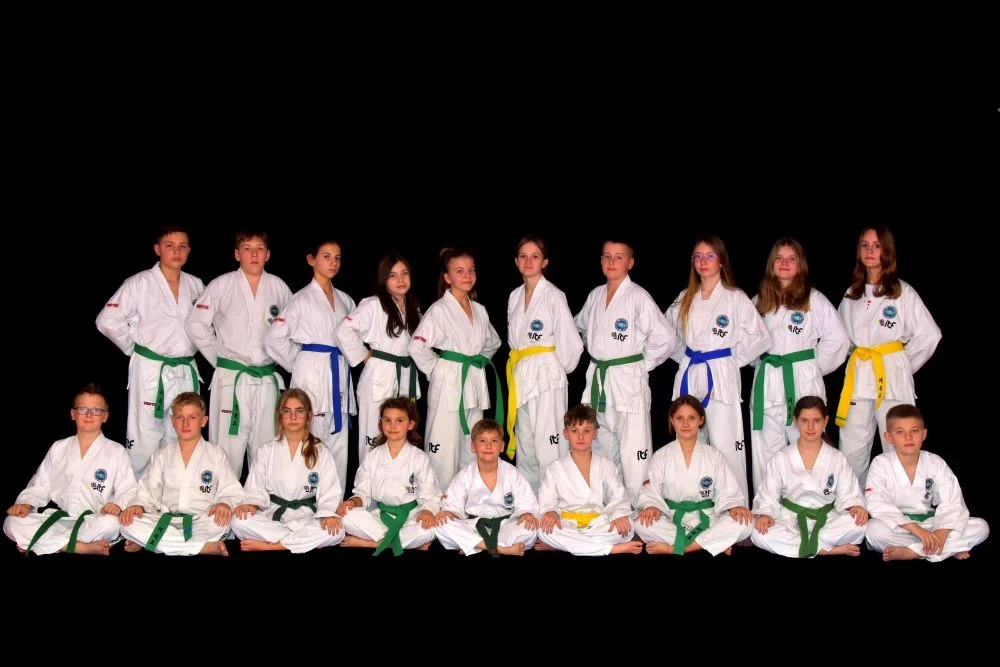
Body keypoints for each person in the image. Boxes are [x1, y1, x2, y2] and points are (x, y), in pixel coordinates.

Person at [665, 235, 770, 501]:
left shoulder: (735, 298)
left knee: (726, 445)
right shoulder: (684, 297)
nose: (703, 261)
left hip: (721, 377)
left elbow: (761, 338)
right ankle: (691, 502)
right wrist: (686, 358)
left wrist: (731, 361)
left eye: (710, 256)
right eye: (698, 256)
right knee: (689, 441)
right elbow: (667, 335)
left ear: (721, 261)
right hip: (691, 373)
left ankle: (736, 508)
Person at [835, 226, 942, 483]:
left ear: (887, 251)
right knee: (851, 450)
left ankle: (902, 501)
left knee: (899, 443)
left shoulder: (902, 292)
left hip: (892, 379)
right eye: (864, 245)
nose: (870, 251)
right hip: (859, 379)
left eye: (876, 246)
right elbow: (840, 339)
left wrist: (902, 365)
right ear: (859, 252)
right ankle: (853, 503)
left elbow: (930, 335)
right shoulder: (851, 294)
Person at [96, 225, 205, 475]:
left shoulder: (196, 285)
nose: (176, 251)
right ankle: (136, 493)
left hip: (185, 368)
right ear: (157, 249)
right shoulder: (139, 283)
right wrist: (134, 348)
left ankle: (176, 489)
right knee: (144, 435)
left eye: (182, 246)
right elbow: (107, 320)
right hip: (151, 369)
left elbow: (207, 325)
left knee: (182, 432)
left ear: (189, 251)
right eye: (170, 246)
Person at [574, 239, 676, 506]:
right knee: (601, 448)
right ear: (600, 261)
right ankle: (608, 508)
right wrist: (598, 350)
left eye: (618, 257)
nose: (611, 262)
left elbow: (666, 338)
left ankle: (642, 510)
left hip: (628, 381)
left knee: (634, 451)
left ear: (630, 263)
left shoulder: (638, 296)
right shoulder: (595, 295)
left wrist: (643, 364)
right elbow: (580, 326)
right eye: (606, 256)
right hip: (599, 380)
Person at [186, 230, 292, 479]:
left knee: (266, 449)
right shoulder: (221, 285)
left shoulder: (279, 287)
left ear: (268, 254)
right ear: (237, 254)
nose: (254, 254)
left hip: (266, 379)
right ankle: (222, 499)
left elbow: (293, 330)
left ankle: (261, 500)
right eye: (247, 248)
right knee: (226, 450)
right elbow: (195, 324)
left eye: (259, 249)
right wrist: (219, 360)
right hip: (231, 378)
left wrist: (289, 361)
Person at [750, 238, 849, 492]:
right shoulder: (759, 301)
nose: (784, 264)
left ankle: (811, 501)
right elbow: (745, 341)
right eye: (779, 258)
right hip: (768, 384)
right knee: (765, 453)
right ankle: (766, 507)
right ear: (771, 264)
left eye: (791, 259)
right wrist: (760, 363)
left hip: (802, 383)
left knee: (808, 445)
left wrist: (812, 367)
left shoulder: (814, 299)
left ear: (800, 264)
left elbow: (839, 339)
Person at [409, 248, 502, 491]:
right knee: (443, 451)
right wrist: (437, 370)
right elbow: (416, 346)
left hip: (473, 383)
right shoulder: (439, 309)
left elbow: (493, 342)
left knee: (473, 447)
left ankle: (468, 500)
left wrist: (478, 360)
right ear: (447, 277)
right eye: (459, 271)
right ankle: (437, 503)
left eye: (471, 270)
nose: (467, 275)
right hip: (448, 384)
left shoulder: (479, 310)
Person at [4, 384, 136, 556]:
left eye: (96, 410)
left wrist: (118, 505)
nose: (89, 415)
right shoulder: (58, 447)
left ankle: (41, 543)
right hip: (61, 520)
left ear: (105, 416)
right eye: (83, 409)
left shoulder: (116, 451)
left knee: (112, 524)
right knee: (11, 522)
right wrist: (26, 504)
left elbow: (128, 490)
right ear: (73, 414)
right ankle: (78, 547)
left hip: (94, 521)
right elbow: (40, 485)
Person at [265, 239, 356, 478]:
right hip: (312, 378)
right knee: (310, 442)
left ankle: (336, 498)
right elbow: (273, 338)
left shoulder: (346, 300)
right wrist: (298, 363)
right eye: (326, 256)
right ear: (311, 260)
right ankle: (306, 496)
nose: (333, 263)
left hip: (338, 376)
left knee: (339, 446)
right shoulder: (300, 299)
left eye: (337, 258)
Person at [119, 392, 242, 556]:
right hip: (166, 520)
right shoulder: (162, 455)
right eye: (179, 417)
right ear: (172, 421)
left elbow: (231, 489)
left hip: (202, 521)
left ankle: (152, 543)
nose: (185, 423)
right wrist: (138, 505)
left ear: (203, 421)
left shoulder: (216, 454)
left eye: (192, 417)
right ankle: (201, 548)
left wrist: (225, 504)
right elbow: (147, 491)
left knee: (222, 523)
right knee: (127, 523)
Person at [506, 235, 583, 493]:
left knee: (549, 444)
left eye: (535, 256)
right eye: (523, 256)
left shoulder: (553, 295)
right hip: (522, 373)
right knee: (526, 444)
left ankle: (553, 502)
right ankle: (529, 503)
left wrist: (559, 368)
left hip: (547, 374)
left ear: (545, 262)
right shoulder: (514, 296)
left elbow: (571, 341)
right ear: (516, 261)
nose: (528, 261)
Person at [865, 404, 989, 562]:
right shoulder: (881, 463)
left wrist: (941, 534)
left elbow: (953, 501)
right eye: (900, 432)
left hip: (931, 524)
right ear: (889, 437)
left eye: (914, 431)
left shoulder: (935, 462)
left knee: (981, 527)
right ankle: (946, 548)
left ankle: (914, 552)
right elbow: (876, 502)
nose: (908, 437)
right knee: (873, 531)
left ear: (924, 434)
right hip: (900, 527)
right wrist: (915, 529)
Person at [634, 396, 753, 556]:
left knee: (747, 523)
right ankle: (711, 543)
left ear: (701, 420)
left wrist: (734, 506)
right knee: (641, 524)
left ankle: (681, 547)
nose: (685, 424)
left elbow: (728, 490)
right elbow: (651, 491)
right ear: (672, 420)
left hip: (708, 517)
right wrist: (651, 506)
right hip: (672, 519)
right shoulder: (661, 456)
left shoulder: (714, 455)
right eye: (679, 418)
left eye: (691, 418)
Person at [751, 396, 868, 558]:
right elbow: (768, 493)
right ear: (795, 421)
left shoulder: (837, 458)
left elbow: (848, 494)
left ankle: (804, 546)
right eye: (804, 421)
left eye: (817, 421)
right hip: (790, 519)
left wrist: (854, 506)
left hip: (827, 518)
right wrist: (765, 514)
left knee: (859, 525)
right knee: (758, 534)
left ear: (826, 421)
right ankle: (825, 549)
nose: (811, 427)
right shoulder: (781, 457)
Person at [230, 389, 345, 552]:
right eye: (287, 411)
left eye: (299, 411)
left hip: (308, 517)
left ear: (309, 415)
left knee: (337, 531)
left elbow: (330, 491)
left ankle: (276, 545)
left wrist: (327, 514)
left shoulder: (321, 451)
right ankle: (298, 541)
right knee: (238, 521)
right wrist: (252, 503)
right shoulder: (266, 450)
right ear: (280, 416)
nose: (293, 417)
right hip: (274, 516)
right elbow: (255, 487)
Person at [337, 252, 421, 468]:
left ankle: (397, 486)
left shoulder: (413, 307)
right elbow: (344, 330)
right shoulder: (373, 304)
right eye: (393, 275)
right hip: (379, 376)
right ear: (384, 279)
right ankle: (367, 489)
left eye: (404, 274)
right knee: (373, 438)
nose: (400, 279)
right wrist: (363, 355)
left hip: (404, 375)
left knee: (403, 437)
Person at [535, 405, 643, 556]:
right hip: (568, 523)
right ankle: (610, 549)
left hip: (598, 523)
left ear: (595, 433)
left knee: (628, 526)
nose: (580, 437)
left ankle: (565, 545)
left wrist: (619, 515)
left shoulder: (605, 464)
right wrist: (550, 512)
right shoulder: (555, 468)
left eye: (586, 431)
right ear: (566, 434)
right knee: (543, 530)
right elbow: (547, 500)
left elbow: (618, 496)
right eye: (574, 431)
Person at [337, 398, 438, 555]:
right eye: (387, 420)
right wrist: (353, 502)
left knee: (429, 530)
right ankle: (403, 544)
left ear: (411, 424)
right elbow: (362, 492)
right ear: (381, 423)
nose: (392, 425)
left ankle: (370, 543)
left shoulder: (419, 457)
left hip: (410, 516)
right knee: (346, 517)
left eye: (399, 420)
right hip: (381, 516)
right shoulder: (373, 456)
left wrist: (427, 511)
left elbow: (429, 495)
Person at [435, 418, 539, 556]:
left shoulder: (512, 473)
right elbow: (452, 506)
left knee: (530, 528)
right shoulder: (464, 475)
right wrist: (448, 512)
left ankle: (473, 545)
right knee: (442, 524)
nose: (488, 446)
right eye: (482, 441)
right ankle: (500, 548)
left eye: (494, 441)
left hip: (505, 526)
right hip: (473, 526)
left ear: (502, 446)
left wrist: (527, 514)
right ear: (473, 446)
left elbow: (527, 503)